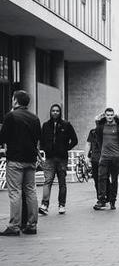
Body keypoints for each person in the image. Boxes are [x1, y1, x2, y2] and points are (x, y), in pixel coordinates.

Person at [0, 90, 41, 236]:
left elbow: (2, 136)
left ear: (16, 101)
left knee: (15, 192)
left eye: (12, 99)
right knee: (31, 191)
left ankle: (14, 226)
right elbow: (37, 138)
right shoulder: (35, 118)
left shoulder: (11, 116)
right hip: (30, 160)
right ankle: (31, 225)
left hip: (15, 159)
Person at [38, 104, 78, 216]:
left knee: (62, 182)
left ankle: (61, 205)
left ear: (60, 112)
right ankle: (44, 205)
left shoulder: (66, 125)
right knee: (48, 180)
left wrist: (66, 148)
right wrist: (45, 149)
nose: (55, 112)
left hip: (62, 158)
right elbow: (41, 140)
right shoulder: (45, 125)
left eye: (57, 111)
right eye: (53, 111)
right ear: (50, 112)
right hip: (50, 158)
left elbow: (74, 140)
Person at [93, 109, 119, 211]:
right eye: (108, 115)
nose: (110, 117)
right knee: (101, 178)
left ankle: (112, 201)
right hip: (104, 157)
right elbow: (96, 120)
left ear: (114, 116)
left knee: (114, 180)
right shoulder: (101, 127)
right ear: (105, 116)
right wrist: (101, 116)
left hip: (116, 157)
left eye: (111, 115)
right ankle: (102, 200)